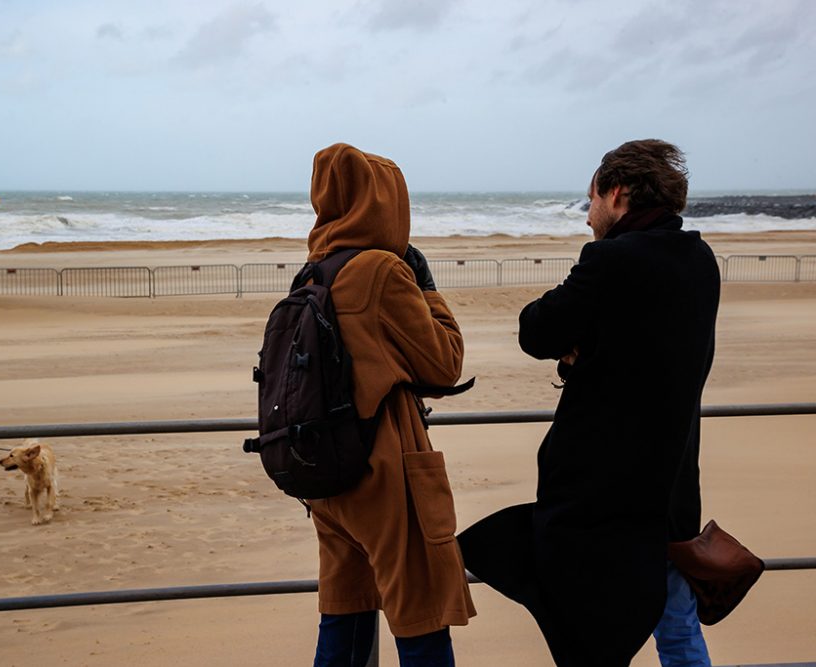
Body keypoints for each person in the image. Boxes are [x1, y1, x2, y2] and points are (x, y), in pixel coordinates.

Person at [457, 139, 720, 666]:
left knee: (588, 630)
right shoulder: (700, 260)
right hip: (668, 490)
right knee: (675, 625)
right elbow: (654, 351)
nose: (587, 218)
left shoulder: (610, 260)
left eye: (591, 201)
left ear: (616, 192)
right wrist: (593, 350)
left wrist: (582, 353)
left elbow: (536, 329)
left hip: (603, 499)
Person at [305, 143, 475, 666]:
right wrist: (427, 287)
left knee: (346, 614)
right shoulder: (381, 269)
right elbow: (444, 363)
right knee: (421, 615)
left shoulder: (315, 270)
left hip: (327, 469)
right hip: (385, 471)